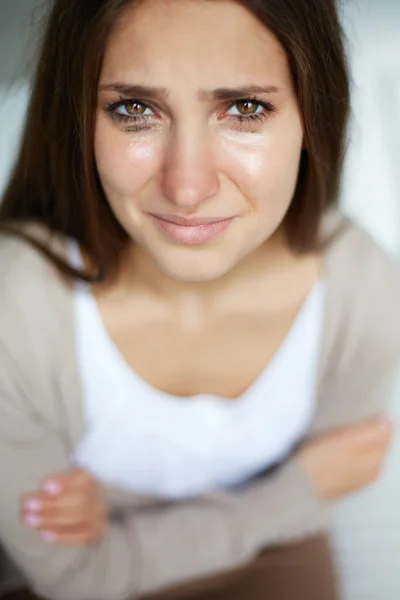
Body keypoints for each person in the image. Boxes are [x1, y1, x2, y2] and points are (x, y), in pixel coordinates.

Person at [0, 0, 399, 599]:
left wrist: (112, 514)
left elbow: (331, 493)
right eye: (135, 109)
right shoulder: (16, 309)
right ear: (80, 118)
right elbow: (75, 576)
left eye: (245, 108)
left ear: (311, 119)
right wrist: (291, 494)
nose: (186, 186)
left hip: (274, 564)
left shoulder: (361, 292)